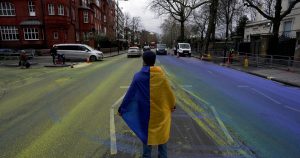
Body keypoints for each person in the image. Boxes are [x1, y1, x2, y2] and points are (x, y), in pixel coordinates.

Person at [118, 50, 176, 158]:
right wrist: (172, 105)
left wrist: (122, 109)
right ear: (154, 61)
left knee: (147, 138)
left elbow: (130, 95)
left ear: (144, 61)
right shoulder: (162, 76)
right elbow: (169, 93)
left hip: (144, 114)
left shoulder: (138, 77)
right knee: (162, 140)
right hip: (161, 114)